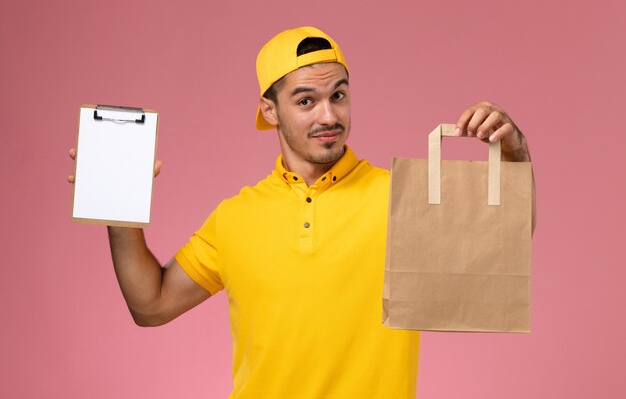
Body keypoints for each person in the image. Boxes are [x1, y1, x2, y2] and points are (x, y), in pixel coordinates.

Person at [68, 26, 532, 399]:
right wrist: (119, 206)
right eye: (306, 101)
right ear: (269, 111)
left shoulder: (400, 197)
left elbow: (504, 242)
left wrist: (514, 151)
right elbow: (150, 306)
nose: (328, 117)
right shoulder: (235, 217)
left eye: (340, 96)